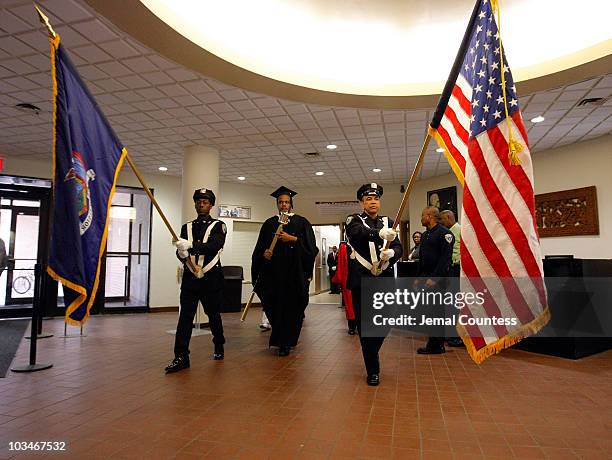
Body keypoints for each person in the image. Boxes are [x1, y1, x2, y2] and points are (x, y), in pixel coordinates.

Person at [165, 188, 227, 374]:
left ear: (211, 205)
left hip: (211, 278)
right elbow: (183, 252)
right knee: (185, 318)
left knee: (213, 315)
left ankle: (219, 344)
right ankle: (181, 356)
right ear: (195, 203)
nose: (202, 204)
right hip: (191, 278)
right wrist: (181, 253)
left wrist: (191, 246)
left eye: (206, 202)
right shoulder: (187, 227)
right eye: (199, 201)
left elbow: (215, 246)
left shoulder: (219, 225)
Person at [346, 183, 402, 386]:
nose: (373, 202)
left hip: (384, 281)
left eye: (376, 198)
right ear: (362, 202)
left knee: (386, 322)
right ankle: (373, 369)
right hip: (362, 281)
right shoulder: (353, 220)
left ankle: (370, 350)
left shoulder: (389, 222)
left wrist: (393, 253)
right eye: (368, 199)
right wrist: (379, 234)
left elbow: (399, 246)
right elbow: (356, 233)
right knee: (366, 327)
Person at [251, 186, 318, 357]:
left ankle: (288, 341)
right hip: (274, 276)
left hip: (294, 276)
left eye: (287, 202)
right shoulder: (269, 224)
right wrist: (264, 253)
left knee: (293, 308)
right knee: (275, 307)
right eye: (281, 202)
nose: (284, 205)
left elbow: (311, 248)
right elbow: (259, 249)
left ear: (291, 204)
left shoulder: (301, 222)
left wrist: (293, 239)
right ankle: (280, 340)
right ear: (277, 204)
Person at [416, 206, 454, 355]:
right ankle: (434, 342)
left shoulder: (445, 234)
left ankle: (436, 345)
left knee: (437, 313)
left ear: (430, 216)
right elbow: (423, 260)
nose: (421, 218)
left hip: (439, 281)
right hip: (426, 279)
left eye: (423, 215)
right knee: (429, 312)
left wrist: (435, 278)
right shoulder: (425, 235)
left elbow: (445, 260)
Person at [440, 210, 463, 347]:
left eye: (442, 219)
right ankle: (450, 334)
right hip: (450, 270)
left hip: (457, 269)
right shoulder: (447, 232)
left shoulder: (459, 230)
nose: (441, 222)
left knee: (455, 304)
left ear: (448, 218)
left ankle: (456, 336)